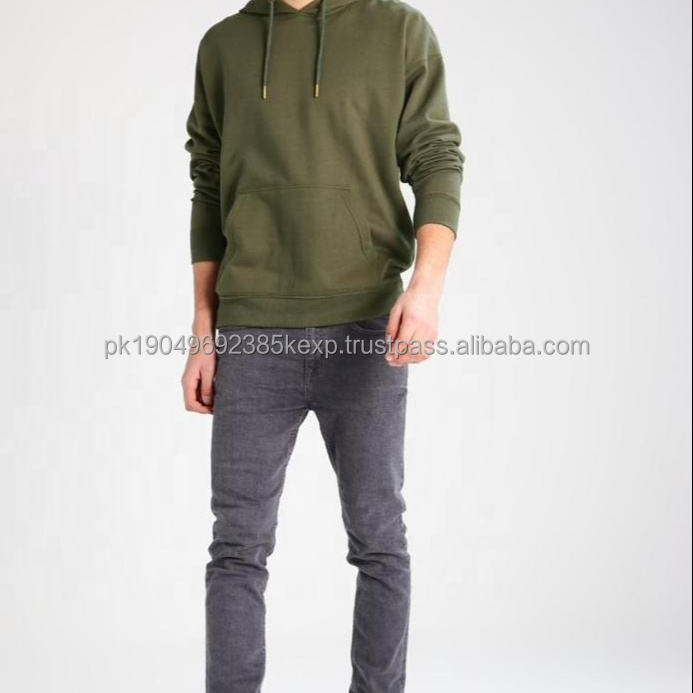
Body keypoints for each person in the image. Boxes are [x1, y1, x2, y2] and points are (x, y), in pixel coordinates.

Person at [181, 0, 464, 690]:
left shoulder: (398, 30)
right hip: (251, 330)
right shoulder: (225, 45)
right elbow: (208, 186)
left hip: (366, 326)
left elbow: (435, 158)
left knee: (378, 538)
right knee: (236, 547)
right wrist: (203, 331)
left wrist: (426, 289)